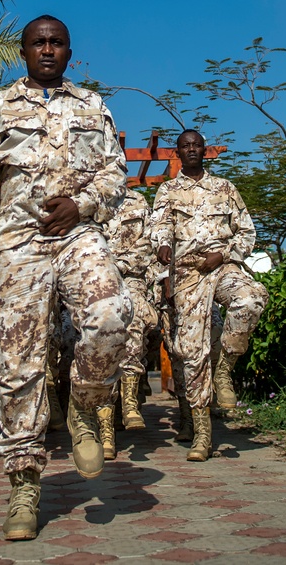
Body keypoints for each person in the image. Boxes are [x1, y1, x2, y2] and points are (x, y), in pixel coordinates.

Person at [0, 15, 132, 541]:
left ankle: (87, 405)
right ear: (23, 51)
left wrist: (83, 203)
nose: (48, 49)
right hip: (18, 245)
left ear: (70, 50)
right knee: (16, 360)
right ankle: (24, 481)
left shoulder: (93, 105)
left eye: (57, 42)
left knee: (113, 314)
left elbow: (116, 175)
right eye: (38, 43)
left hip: (78, 234)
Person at [152, 129, 268, 461]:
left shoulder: (225, 188)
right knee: (192, 350)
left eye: (197, 145)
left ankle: (225, 367)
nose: (191, 150)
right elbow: (158, 226)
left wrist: (227, 252)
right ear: (177, 153)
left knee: (251, 299)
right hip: (188, 272)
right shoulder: (168, 191)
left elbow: (247, 230)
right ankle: (203, 433)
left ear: (205, 151)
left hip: (222, 266)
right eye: (185, 146)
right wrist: (161, 244)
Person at [96, 188, 158, 458]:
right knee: (101, 345)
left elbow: (148, 243)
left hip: (130, 277)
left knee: (134, 319)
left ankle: (130, 400)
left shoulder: (138, 202)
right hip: (94, 282)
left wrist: (119, 265)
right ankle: (105, 428)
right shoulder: (85, 199)